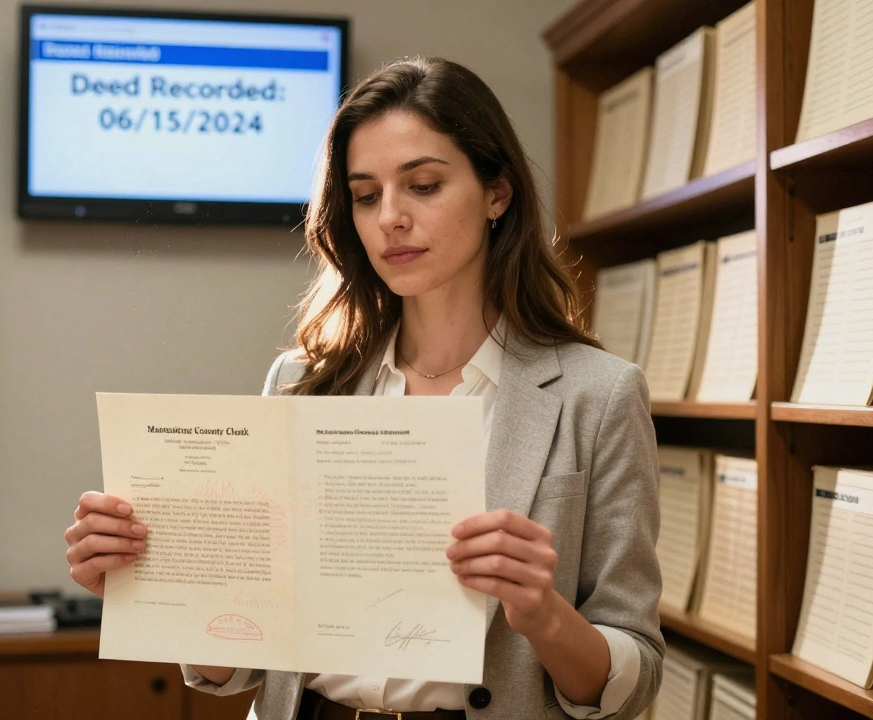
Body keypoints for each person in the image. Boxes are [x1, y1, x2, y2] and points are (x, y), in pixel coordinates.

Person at [65, 56, 662, 720]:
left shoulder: (598, 395)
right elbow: (238, 667)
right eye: (366, 194)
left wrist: (544, 615)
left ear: (498, 193)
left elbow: (634, 679)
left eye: (424, 185)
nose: (391, 219)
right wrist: (151, 582)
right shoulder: (299, 383)